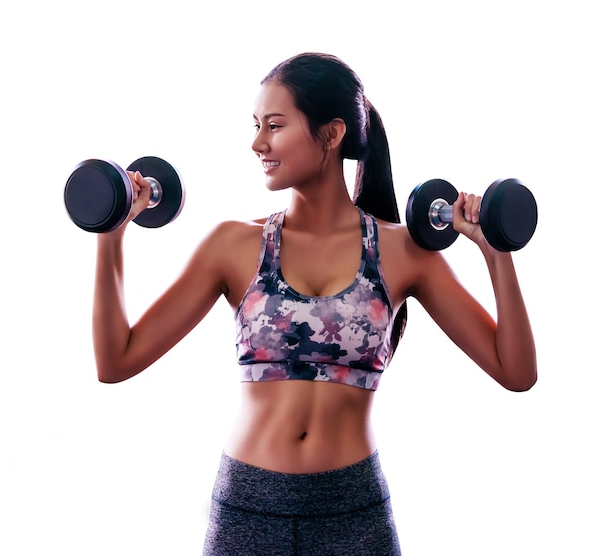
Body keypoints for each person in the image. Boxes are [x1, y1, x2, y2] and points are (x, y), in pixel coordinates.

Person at [92, 52, 537, 555]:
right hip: (248, 509)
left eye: (275, 126)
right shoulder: (234, 245)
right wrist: (111, 232)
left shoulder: (404, 252)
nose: (258, 143)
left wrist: (496, 254)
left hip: (353, 513)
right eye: (257, 126)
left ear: (331, 134)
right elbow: (116, 360)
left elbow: (516, 371)